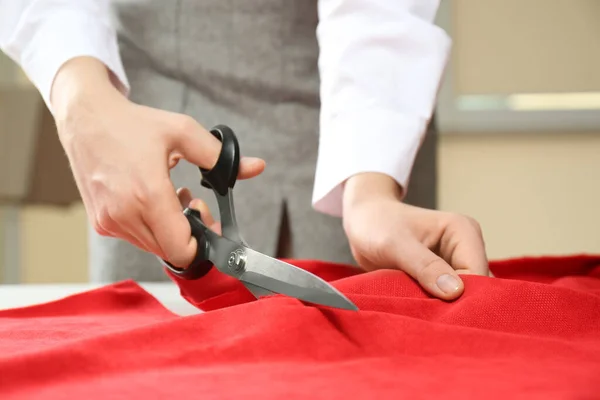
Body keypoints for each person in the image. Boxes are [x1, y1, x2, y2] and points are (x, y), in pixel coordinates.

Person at [0, 0, 489, 301]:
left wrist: (370, 188)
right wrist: (84, 107)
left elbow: (378, 11)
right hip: (143, 120)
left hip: (367, 119)